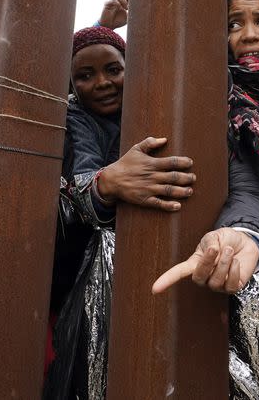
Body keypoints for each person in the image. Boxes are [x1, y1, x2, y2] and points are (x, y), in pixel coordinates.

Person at [43, 25, 196, 399]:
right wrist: (105, 183)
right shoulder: (76, 120)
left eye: (113, 70)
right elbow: (83, 173)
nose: (102, 83)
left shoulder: (151, 105)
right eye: (85, 75)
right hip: (85, 271)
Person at [153, 0, 259, 399]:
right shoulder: (217, 100)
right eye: (233, 23)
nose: (247, 35)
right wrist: (245, 233)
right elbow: (247, 185)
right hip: (257, 278)